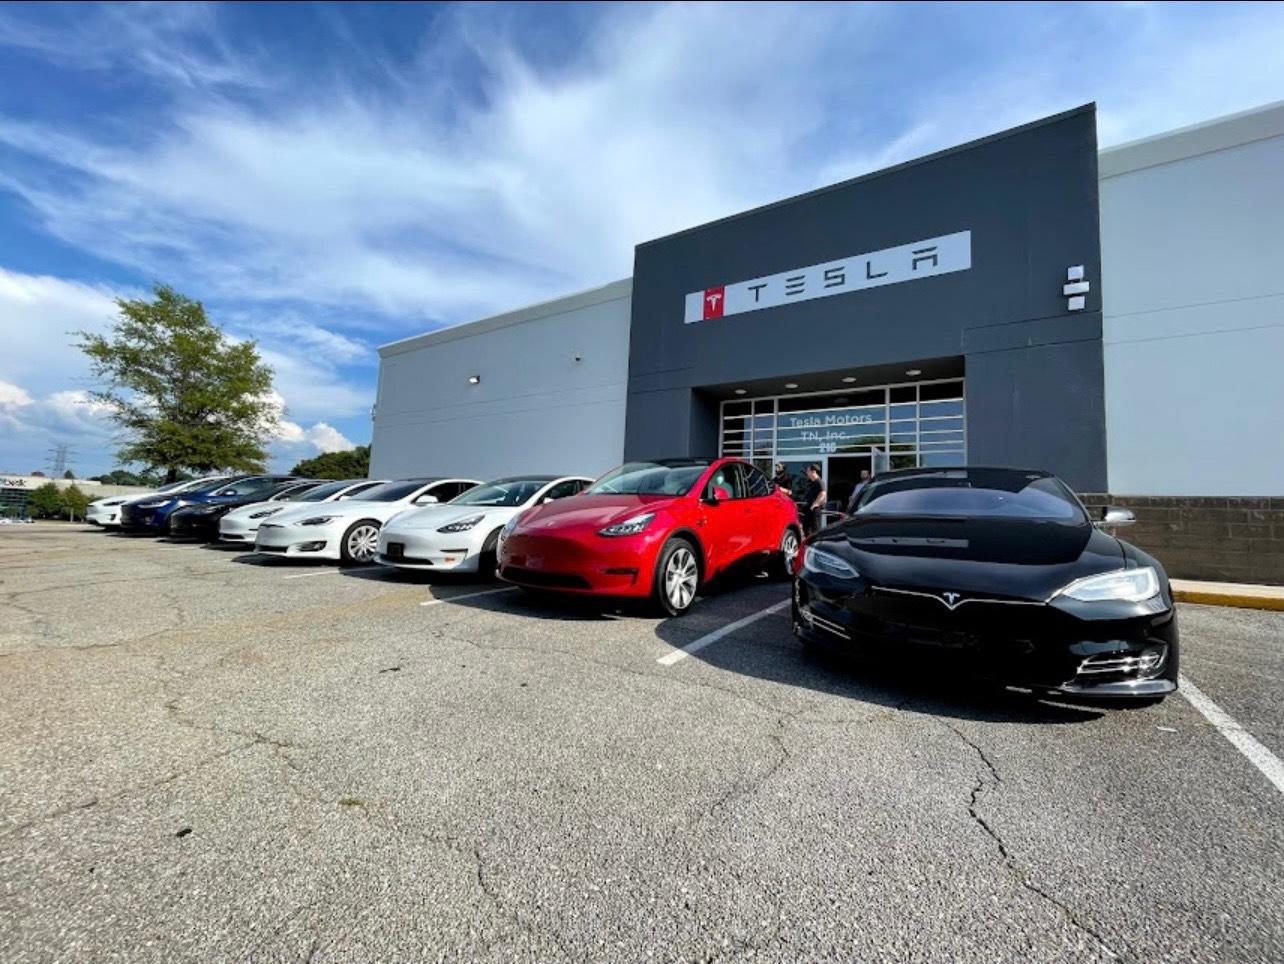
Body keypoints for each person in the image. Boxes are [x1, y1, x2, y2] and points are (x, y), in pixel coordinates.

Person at [801, 463, 826, 535]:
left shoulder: (819, 481)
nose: (807, 473)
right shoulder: (813, 482)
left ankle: (817, 541)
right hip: (810, 508)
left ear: (813, 472)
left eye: (808, 471)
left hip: (815, 509)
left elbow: (823, 493)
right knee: (806, 527)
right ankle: (809, 541)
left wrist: (815, 504)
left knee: (815, 529)